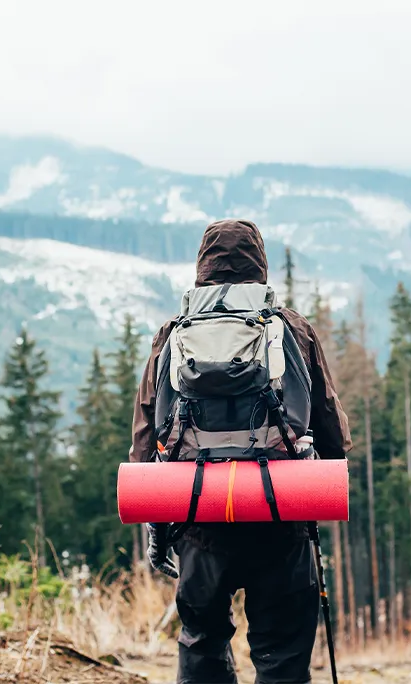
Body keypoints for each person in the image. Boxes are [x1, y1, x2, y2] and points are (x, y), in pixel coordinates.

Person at [130, 218, 352, 684]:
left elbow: (146, 437)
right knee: (282, 649)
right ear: (260, 265)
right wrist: (318, 484)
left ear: (202, 268)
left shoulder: (174, 333)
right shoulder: (291, 328)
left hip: (198, 513)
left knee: (203, 640)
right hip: (280, 512)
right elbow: (330, 427)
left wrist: (159, 525)